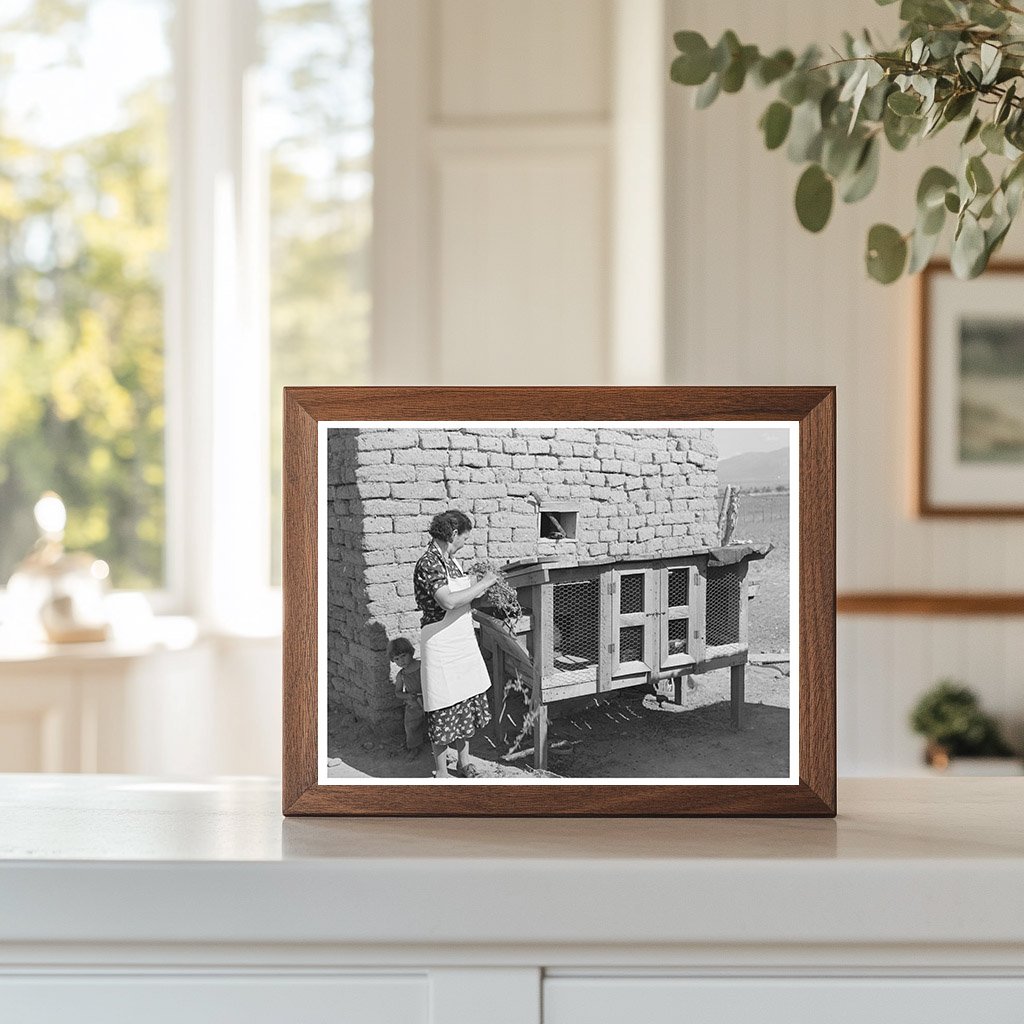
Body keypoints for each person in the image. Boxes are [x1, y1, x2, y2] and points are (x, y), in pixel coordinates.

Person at [413, 509, 497, 779]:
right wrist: (484, 583)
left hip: (460, 639)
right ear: (453, 534)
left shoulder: (451, 561)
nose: (464, 543)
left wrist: (479, 581)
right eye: (464, 538)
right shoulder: (428, 563)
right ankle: (442, 772)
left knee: (465, 700)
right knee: (443, 704)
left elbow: (463, 591)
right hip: (441, 642)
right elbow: (448, 601)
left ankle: (464, 762)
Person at [388, 637, 426, 759]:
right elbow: (398, 692)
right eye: (397, 659)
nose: (401, 661)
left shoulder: (422, 666)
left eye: (403, 656)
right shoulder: (401, 675)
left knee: (434, 722)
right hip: (414, 704)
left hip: (429, 699)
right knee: (411, 725)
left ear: (411, 652)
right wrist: (407, 696)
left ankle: (441, 747)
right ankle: (414, 747)